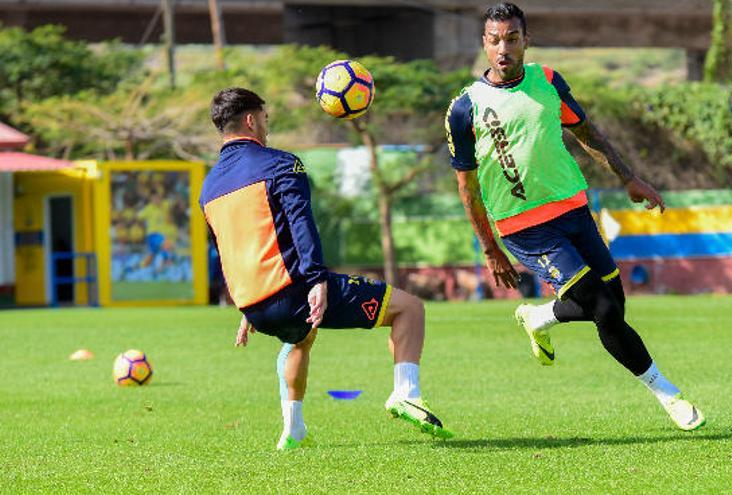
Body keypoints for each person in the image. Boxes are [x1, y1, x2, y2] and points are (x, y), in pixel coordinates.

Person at [445, 3, 705, 431]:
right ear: (484, 44)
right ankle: (669, 395)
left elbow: (587, 133)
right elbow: (467, 187)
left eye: (512, 38)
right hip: (524, 227)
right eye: (494, 40)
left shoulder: (547, 80)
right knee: (601, 306)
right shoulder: (465, 108)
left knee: (614, 309)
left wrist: (629, 179)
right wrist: (490, 248)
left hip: (574, 209)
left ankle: (539, 317)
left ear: (526, 41)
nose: (503, 48)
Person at [200, 87, 452, 449]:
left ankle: (294, 430)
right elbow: (302, 225)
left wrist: (245, 306)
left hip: (255, 305)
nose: (267, 128)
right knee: (409, 309)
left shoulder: (208, 188)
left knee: (300, 337)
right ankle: (405, 393)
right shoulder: (280, 164)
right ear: (252, 120)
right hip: (293, 293)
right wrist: (317, 279)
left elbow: (229, 246)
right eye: (266, 120)